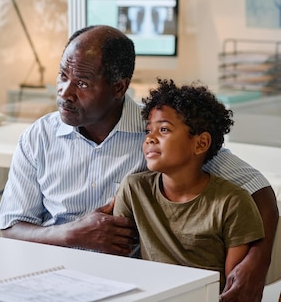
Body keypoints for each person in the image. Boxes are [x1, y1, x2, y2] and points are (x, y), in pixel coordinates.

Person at [0, 25, 278, 302]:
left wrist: (258, 263)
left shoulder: (159, 133)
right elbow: (11, 229)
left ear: (119, 87)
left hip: (129, 286)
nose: (64, 92)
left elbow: (258, 188)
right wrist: (73, 233)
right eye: (62, 75)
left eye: (82, 83)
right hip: (49, 280)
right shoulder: (38, 137)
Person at [113, 79, 265, 289]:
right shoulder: (134, 189)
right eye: (149, 130)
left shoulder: (232, 202)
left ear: (201, 143)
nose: (150, 139)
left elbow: (234, 289)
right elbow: (117, 265)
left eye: (164, 130)